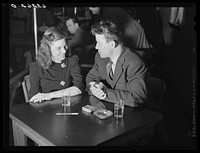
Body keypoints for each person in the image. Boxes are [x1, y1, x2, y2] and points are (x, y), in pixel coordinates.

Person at [86, 20, 147, 107]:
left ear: (112, 44)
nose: (96, 47)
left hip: (136, 114)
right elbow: (91, 78)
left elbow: (137, 98)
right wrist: (94, 87)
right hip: (110, 109)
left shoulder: (134, 63)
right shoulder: (100, 57)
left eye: (99, 43)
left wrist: (105, 93)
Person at [29, 27, 84, 103]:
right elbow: (34, 97)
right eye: (59, 48)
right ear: (48, 49)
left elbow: (79, 88)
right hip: (46, 110)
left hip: (68, 107)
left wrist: (49, 96)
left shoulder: (72, 61)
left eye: (65, 46)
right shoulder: (36, 67)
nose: (64, 51)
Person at [88, 7, 154, 64]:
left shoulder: (108, 11)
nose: (90, 8)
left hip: (130, 32)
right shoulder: (107, 10)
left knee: (130, 56)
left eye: (92, 6)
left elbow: (109, 32)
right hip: (131, 30)